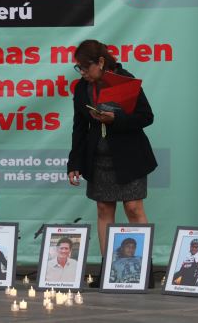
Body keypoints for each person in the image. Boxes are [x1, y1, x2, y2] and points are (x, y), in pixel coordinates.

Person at [67, 40, 157, 255]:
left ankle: (141, 268)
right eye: (78, 68)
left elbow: (146, 117)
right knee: (103, 209)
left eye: (85, 67)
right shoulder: (82, 88)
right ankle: (109, 270)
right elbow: (79, 127)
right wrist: (74, 163)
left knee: (133, 209)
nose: (82, 73)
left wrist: (116, 119)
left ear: (100, 62)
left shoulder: (125, 80)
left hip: (129, 157)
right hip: (98, 157)